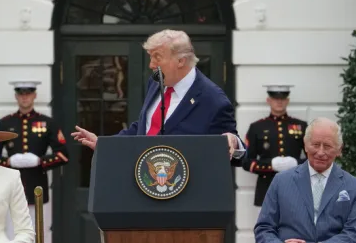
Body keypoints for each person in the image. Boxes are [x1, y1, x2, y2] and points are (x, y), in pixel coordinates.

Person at [71, 29, 245, 162]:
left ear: (180, 61)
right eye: (150, 57)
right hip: (145, 183)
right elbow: (144, 127)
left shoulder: (212, 99)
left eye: (157, 57)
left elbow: (238, 153)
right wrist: (104, 144)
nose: (151, 65)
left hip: (185, 195)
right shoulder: (156, 83)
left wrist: (234, 142)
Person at [0, 81, 68, 243]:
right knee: (10, 237)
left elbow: (63, 154)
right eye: (21, 94)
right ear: (16, 96)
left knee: (37, 238)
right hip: (10, 189)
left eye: (29, 93)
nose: (25, 97)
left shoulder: (47, 122)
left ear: (34, 96)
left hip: (37, 189)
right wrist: (9, 162)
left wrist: (40, 161)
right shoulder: (5, 123)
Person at [242, 85, 307, 243]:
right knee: (264, 238)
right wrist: (270, 164)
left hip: (295, 190)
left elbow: (313, 158)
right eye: (275, 98)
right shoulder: (257, 128)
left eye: (283, 99)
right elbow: (246, 161)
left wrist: (295, 163)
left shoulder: (301, 126)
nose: (279, 102)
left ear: (287, 101)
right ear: (269, 100)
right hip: (267, 189)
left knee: (295, 237)